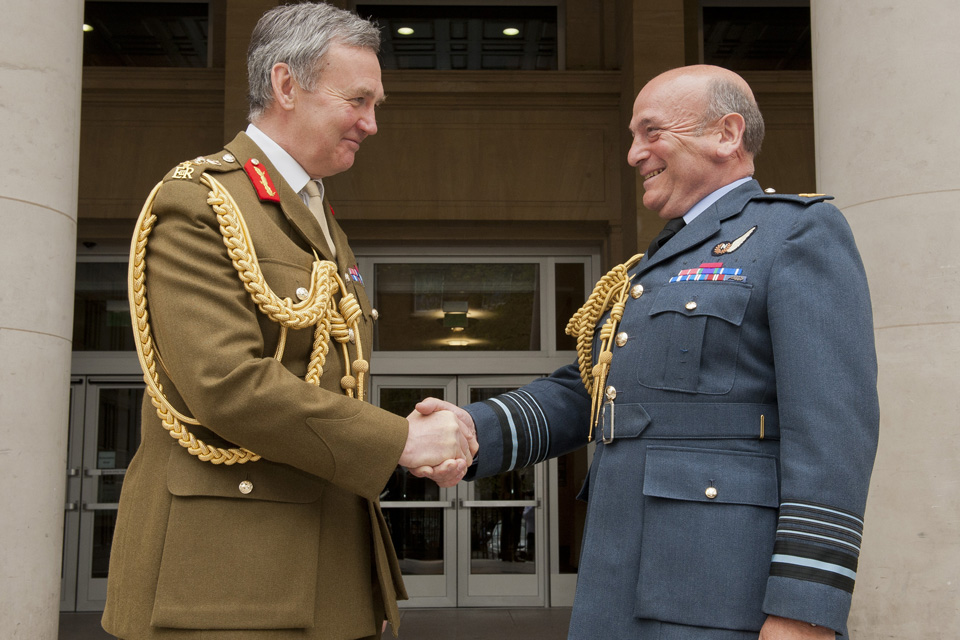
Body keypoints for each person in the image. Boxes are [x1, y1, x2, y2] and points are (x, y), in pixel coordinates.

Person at [417, 65, 879, 639]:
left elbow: (834, 437)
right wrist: (472, 428)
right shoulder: (656, 265)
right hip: (619, 590)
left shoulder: (796, 236)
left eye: (652, 132)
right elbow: (595, 394)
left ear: (726, 134)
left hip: (722, 600)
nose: (634, 154)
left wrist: (804, 612)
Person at [102, 4, 473, 639]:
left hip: (324, 560)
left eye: (376, 103)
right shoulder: (201, 199)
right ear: (285, 86)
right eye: (358, 100)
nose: (372, 123)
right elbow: (225, 383)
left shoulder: (314, 215)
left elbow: (328, 382)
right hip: (228, 573)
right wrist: (398, 440)